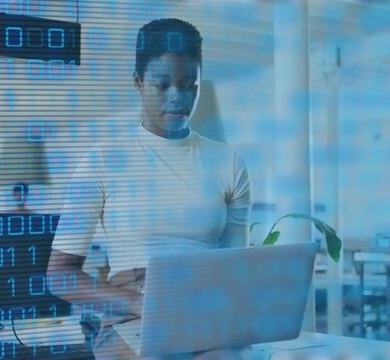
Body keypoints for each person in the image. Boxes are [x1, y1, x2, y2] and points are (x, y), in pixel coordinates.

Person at [47, 18, 251, 359]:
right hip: (134, 307)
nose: (178, 97)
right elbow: (60, 276)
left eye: (190, 85)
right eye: (163, 85)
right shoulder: (101, 161)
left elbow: (234, 266)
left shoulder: (229, 163)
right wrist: (138, 303)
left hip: (204, 309)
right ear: (139, 83)